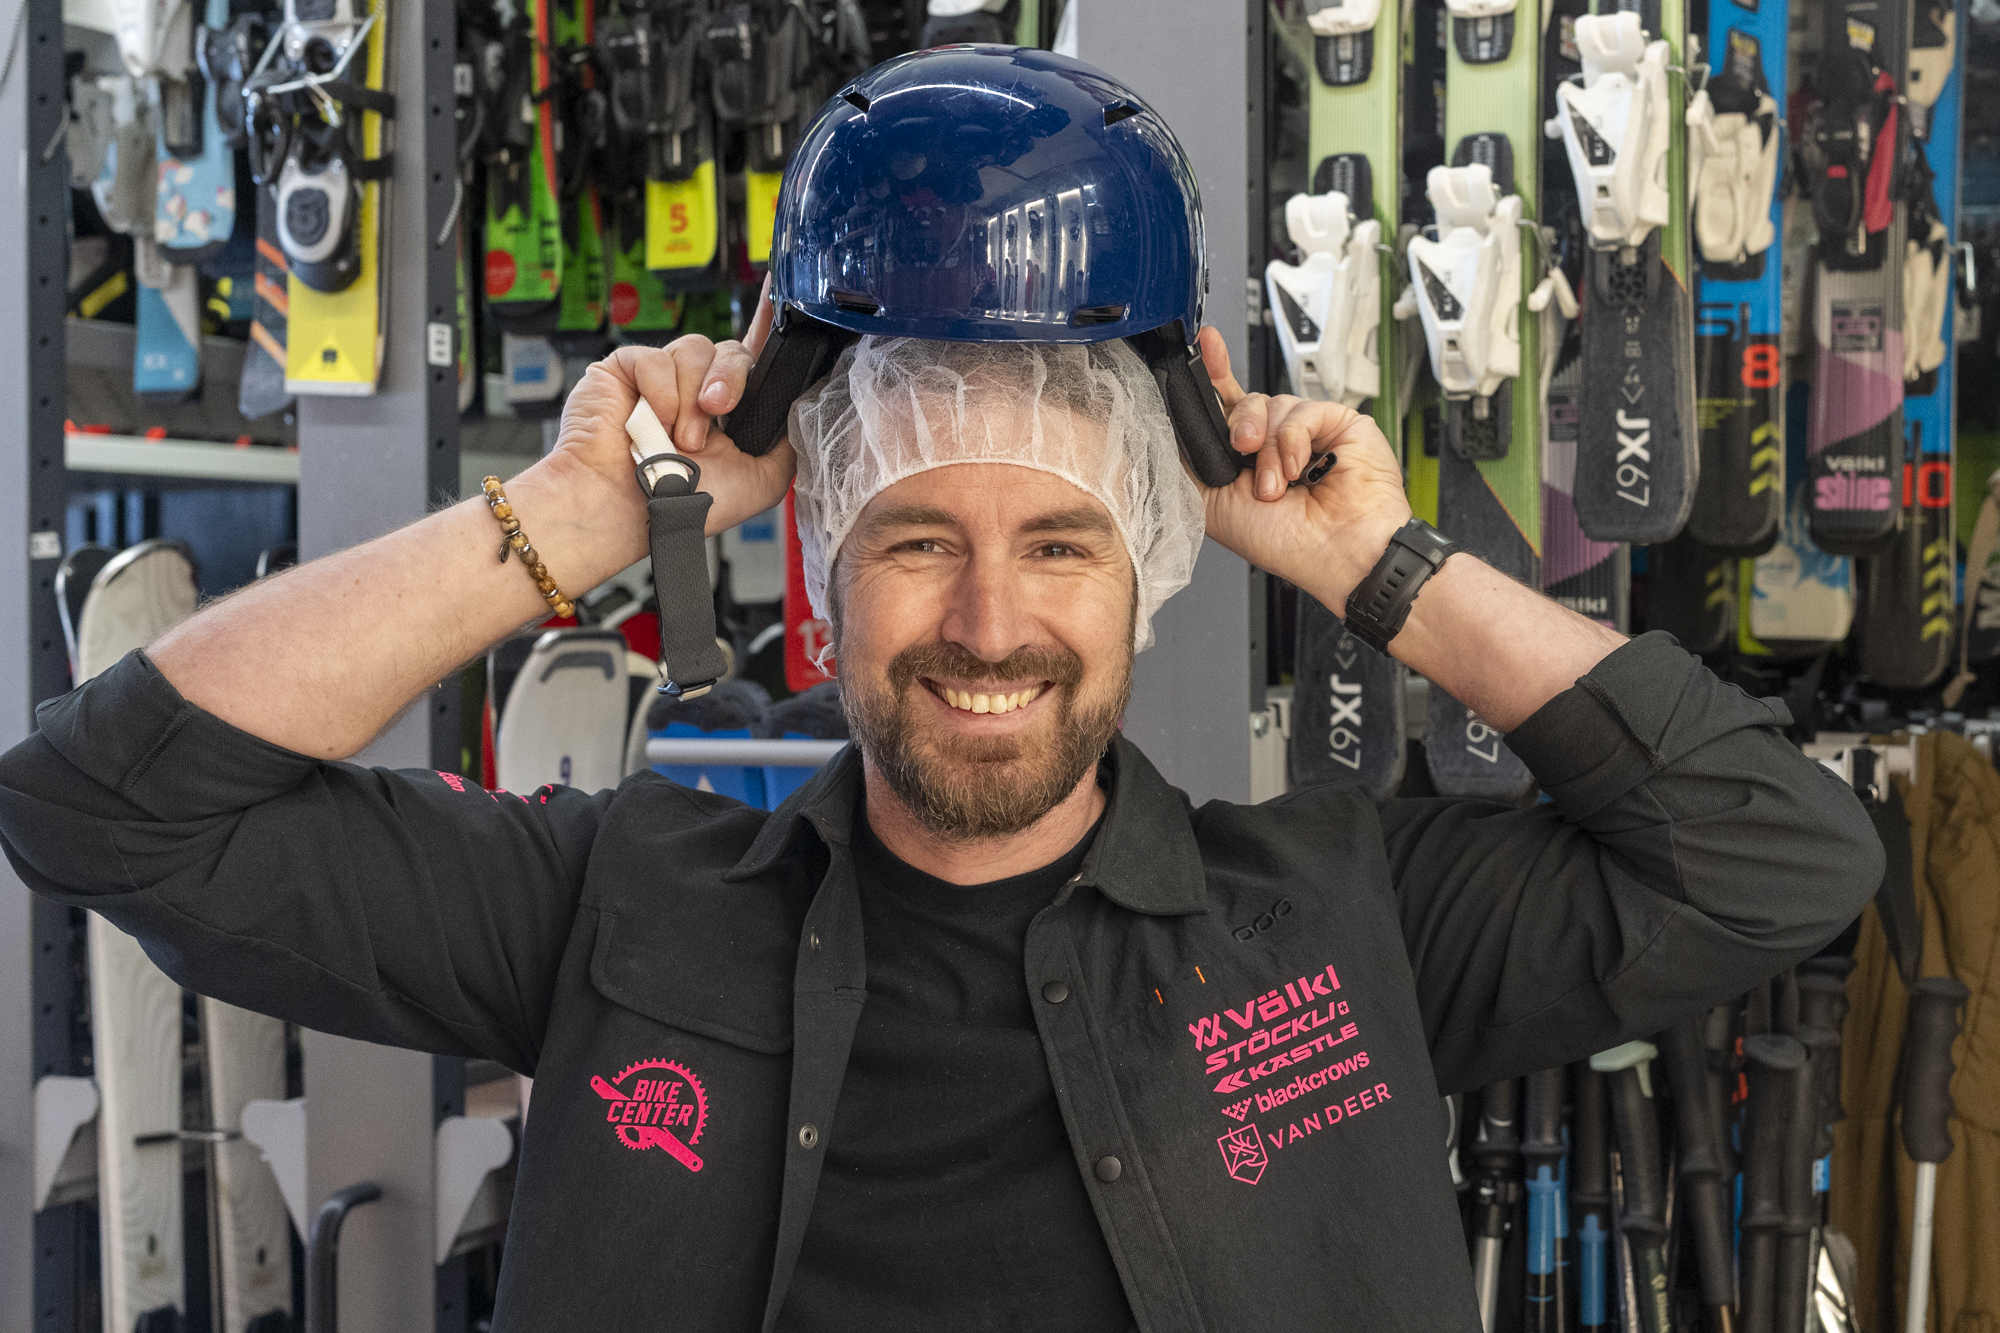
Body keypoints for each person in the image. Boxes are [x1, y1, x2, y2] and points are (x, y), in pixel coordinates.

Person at [0, 46, 1878, 1333]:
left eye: (1061, 542)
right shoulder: (613, 911)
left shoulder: (1348, 917)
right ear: (820, 567)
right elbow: (108, 800)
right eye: (915, 540)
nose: (992, 619)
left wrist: (1372, 566)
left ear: (1149, 559)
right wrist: (574, 519)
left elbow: (1780, 856)